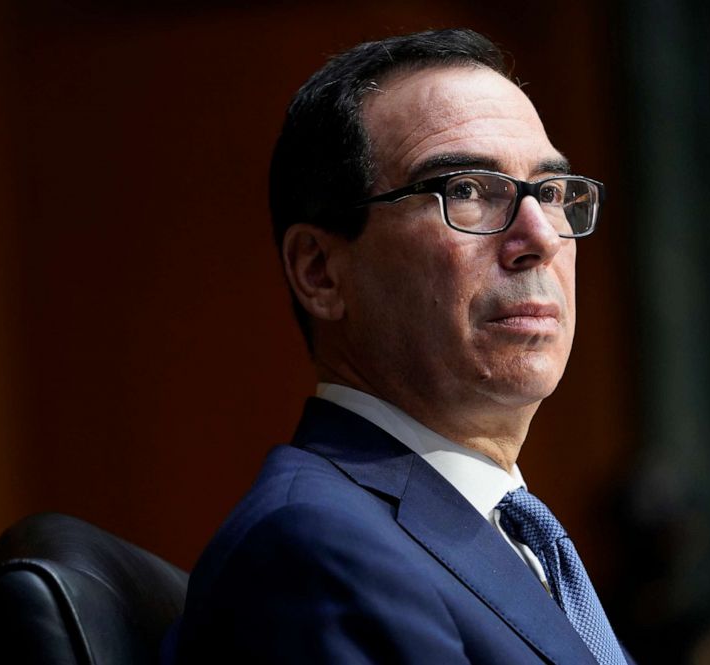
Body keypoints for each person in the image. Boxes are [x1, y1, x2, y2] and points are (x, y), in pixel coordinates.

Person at [173, 28, 630, 664]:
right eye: (466, 190)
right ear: (320, 272)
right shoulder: (312, 550)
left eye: (549, 193)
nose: (539, 238)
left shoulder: (517, 538)